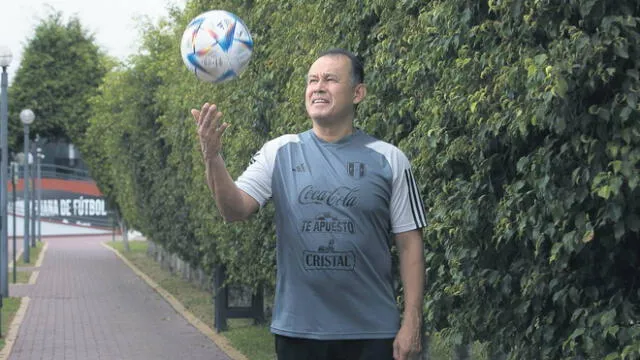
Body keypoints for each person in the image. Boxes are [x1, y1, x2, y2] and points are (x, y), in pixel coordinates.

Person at [192, 48, 426, 360]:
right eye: (312, 80)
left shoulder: (390, 159)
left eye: (330, 79)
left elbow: (410, 243)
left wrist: (412, 320)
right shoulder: (279, 152)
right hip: (298, 332)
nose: (318, 87)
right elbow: (234, 210)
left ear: (358, 93)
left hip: (372, 333)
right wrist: (213, 157)